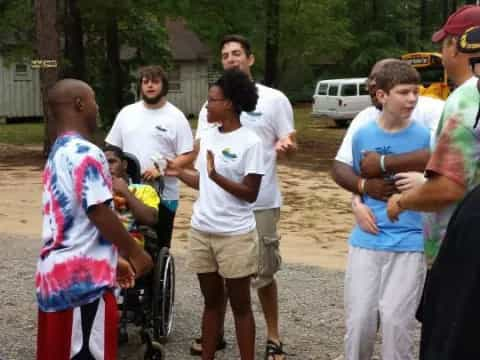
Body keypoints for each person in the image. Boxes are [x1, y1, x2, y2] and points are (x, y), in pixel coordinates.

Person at [385, 6, 480, 358]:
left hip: (461, 254)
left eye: (445, 44)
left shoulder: (466, 99)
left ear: (458, 45)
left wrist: (402, 201)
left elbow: (450, 187)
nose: (442, 53)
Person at [194, 34, 296, 360]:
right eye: (225, 54)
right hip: (218, 210)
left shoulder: (274, 99)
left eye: (237, 53)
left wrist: (286, 146)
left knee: (263, 274)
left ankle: (274, 336)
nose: (231, 58)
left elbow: (289, 138)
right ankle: (217, 337)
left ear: (250, 59)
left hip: (261, 201)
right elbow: (200, 155)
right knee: (220, 276)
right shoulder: (209, 110)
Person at [36, 79, 153, 360]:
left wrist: (112, 258)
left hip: (55, 280)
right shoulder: (88, 153)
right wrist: (136, 253)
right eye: (93, 100)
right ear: (79, 104)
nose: (97, 107)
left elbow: (72, 222)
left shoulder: (58, 152)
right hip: (82, 288)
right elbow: (98, 211)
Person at [167, 68, 264, 360]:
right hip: (202, 230)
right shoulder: (208, 135)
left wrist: (217, 176)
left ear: (230, 104)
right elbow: (203, 181)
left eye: (212, 100)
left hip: (234, 235)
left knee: (241, 306)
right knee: (211, 302)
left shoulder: (251, 142)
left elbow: (250, 193)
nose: (207, 105)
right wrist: (177, 172)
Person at [343, 60, 430, 360]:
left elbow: (440, 186)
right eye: (404, 92)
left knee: (396, 324)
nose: (412, 99)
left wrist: (424, 182)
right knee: (360, 323)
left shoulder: (424, 138)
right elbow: (357, 180)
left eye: (415, 92)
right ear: (382, 96)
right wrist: (356, 202)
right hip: (366, 240)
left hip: (409, 242)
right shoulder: (362, 135)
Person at [105, 65, 195, 249]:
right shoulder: (127, 113)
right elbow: (112, 149)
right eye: (145, 82)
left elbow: (188, 154)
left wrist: (161, 169)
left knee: (158, 246)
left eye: (155, 81)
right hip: (126, 192)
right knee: (125, 243)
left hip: (164, 194)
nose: (150, 86)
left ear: (164, 85)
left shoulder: (176, 117)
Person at [104, 145, 159, 248]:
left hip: (130, 243)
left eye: (111, 162)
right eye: (103, 163)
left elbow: (151, 219)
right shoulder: (94, 190)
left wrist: (125, 192)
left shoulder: (144, 190)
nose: (107, 166)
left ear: (124, 164)